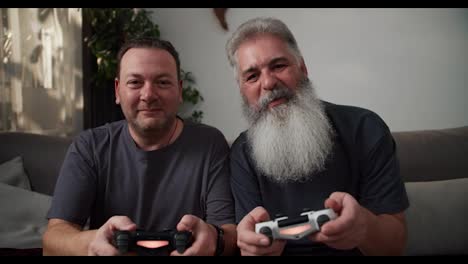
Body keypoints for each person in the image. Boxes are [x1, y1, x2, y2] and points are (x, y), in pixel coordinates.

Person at [225, 17, 409, 256]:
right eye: (252, 76)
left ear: (302, 68)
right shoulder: (241, 153)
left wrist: (364, 226)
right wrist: (253, 249)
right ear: (242, 89)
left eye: (278, 66)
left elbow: (395, 245)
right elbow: (247, 238)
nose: (268, 82)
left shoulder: (365, 128)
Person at [43, 38, 237, 256]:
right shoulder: (90, 146)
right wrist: (91, 243)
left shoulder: (210, 144)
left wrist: (214, 239)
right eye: (135, 82)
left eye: (162, 82)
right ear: (117, 91)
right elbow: (53, 239)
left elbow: (230, 234)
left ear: (180, 90)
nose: (148, 95)